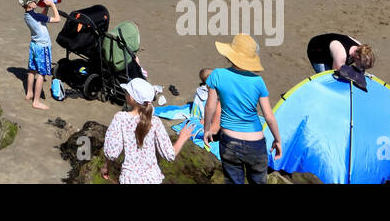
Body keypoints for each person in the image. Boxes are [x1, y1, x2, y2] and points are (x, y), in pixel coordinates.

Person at [203, 34, 281, 184]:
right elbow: (269, 117)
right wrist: (277, 140)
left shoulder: (218, 74)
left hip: (230, 141)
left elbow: (210, 106)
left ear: (230, 55)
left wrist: (207, 129)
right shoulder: (258, 81)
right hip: (256, 143)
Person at [101, 78, 194, 183]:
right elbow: (169, 155)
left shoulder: (121, 119)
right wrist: (183, 137)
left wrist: (106, 167)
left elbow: (112, 152)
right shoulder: (155, 121)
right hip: (153, 179)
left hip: (130, 179)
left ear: (131, 97)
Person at [19, 0, 61, 110]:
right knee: (41, 74)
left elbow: (40, 19)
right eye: (34, 2)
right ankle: (36, 102)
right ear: (30, 4)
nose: (36, 3)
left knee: (32, 70)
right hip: (42, 47)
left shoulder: (27, 15)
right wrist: (52, 4)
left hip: (34, 45)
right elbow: (58, 19)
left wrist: (46, 7)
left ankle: (29, 93)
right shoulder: (36, 16)